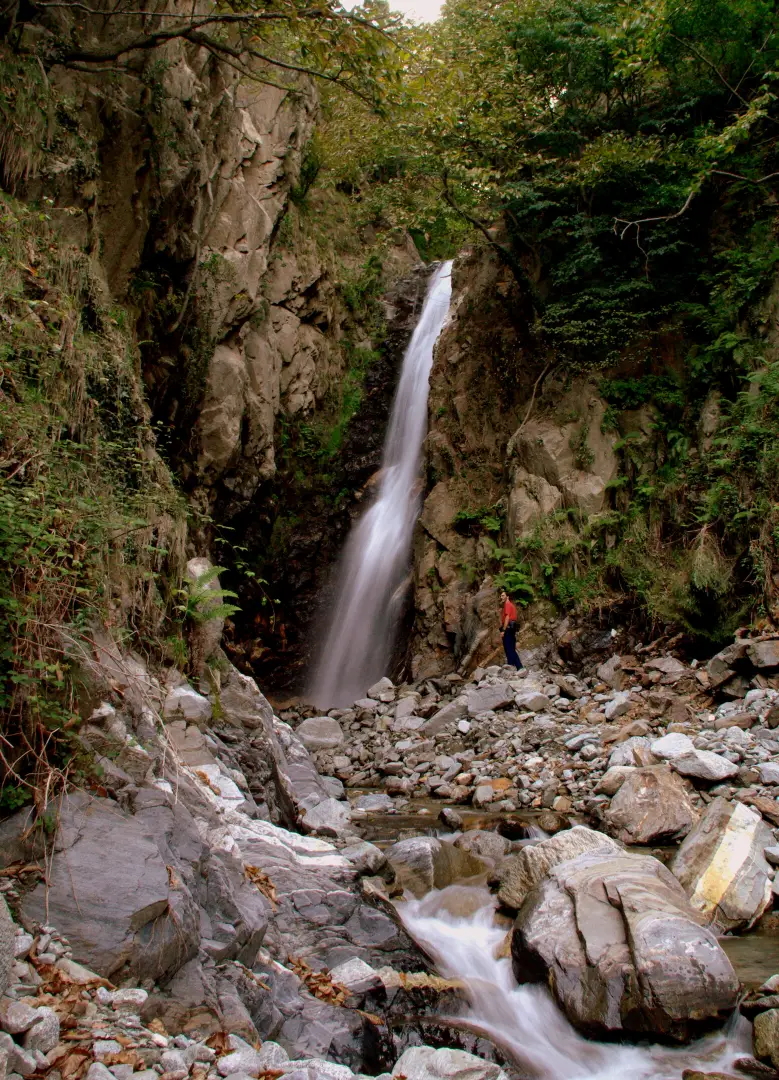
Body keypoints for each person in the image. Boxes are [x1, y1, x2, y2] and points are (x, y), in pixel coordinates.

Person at [499, 589, 523, 669]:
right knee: (511, 647)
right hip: (512, 628)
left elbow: (507, 617)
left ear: (507, 597)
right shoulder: (511, 605)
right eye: (501, 596)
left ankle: (519, 667)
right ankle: (513, 666)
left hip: (508, 628)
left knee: (508, 648)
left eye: (503, 595)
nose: (501, 597)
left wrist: (503, 630)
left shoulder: (507, 604)